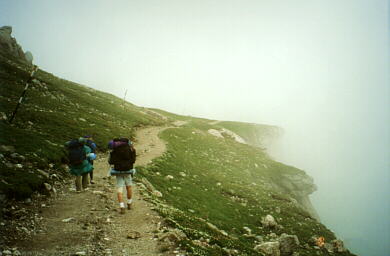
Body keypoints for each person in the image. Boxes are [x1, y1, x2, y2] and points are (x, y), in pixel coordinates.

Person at [108, 138, 136, 214]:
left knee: (119, 189)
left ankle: (122, 206)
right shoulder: (129, 149)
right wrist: (133, 151)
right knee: (129, 187)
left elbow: (111, 162)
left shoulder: (115, 150)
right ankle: (129, 203)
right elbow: (133, 160)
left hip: (118, 171)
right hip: (128, 170)